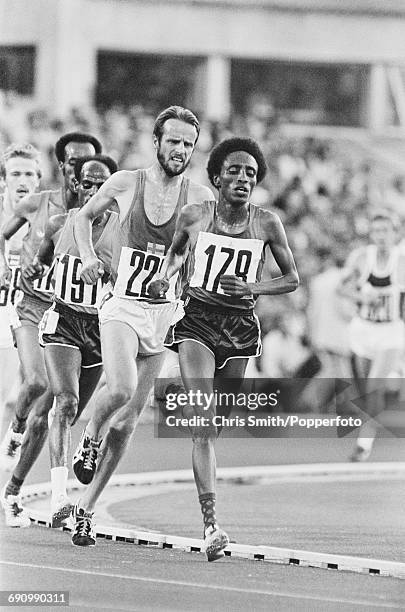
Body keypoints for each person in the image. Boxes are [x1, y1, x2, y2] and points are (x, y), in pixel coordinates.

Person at [71, 106, 214, 546]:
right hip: (122, 307)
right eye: (173, 141)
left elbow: (198, 255)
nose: (180, 150)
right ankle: (88, 437)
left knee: (129, 422)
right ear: (156, 142)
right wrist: (91, 258)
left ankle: (84, 510)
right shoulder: (124, 183)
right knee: (119, 387)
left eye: (188, 144)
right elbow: (82, 219)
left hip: (162, 315)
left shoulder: (198, 197)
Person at [161, 137, 299, 560]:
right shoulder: (195, 215)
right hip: (198, 323)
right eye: (235, 171)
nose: (243, 179)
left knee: (215, 425)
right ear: (217, 176)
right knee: (203, 423)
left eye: (251, 174)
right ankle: (212, 524)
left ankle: (206, 480)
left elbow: (291, 278)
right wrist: (162, 279)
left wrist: (253, 286)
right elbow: (174, 256)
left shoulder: (267, 223)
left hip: (240, 330)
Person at [0, 133, 102, 528]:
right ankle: (16, 426)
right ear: (63, 166)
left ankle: (12, 493)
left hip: (75, 318)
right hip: (33, 306)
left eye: (93, 166)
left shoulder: (104, 213)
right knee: (37, 384)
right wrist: (9, 266)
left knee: (56, 411)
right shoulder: (40, 205)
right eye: (77, 164)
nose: (85, 173)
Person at [25, 155, 118, 528]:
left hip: (99, 327)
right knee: (66, 402)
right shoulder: (59, 223)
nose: (95, 191)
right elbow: (43, 261)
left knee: (80, 410)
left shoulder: (122, 229)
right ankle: (59, 496)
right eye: (88, 184)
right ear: (76, 185)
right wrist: (36, 268)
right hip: (63, 319)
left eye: (103, 186)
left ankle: (85, 447)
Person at [337, 210, 405, 461]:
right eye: (376, 231)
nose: (381, 237)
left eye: (386, 231)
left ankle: (363, 445)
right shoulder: (362, 258)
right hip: (363, 330)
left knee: (374, 388)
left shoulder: (401, 261)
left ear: (396, 234)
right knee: (365, 390)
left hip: (391, 331)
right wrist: (361, 297)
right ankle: (394, 379)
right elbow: (341, 288)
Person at [0, 144, 41, 425]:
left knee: (33, 393)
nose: (23, 180)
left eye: (29, 174)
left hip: (28, 316)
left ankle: (13, 441)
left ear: (38, 179)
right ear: (3, 180)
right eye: (15, 174)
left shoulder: (46, 220)